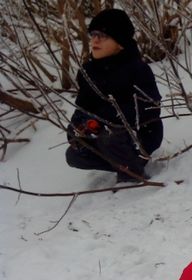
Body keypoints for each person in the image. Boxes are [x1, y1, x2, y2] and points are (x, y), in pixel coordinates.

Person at [65, 8, 163, 183]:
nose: (95, 40)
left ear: (120, 43)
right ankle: (127, 164)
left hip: (141, 133)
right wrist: (76, 129)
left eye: (103, 36)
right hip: (102, 134)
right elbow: (82, 107)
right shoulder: (88, 72)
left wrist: (105, 120)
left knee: (111, 134)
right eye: (93, 34)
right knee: (74, 155)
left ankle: (132, 176)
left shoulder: (137, 69)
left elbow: (150, 108)